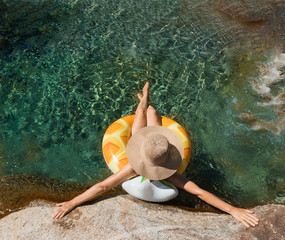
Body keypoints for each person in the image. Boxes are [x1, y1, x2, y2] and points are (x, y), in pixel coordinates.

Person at [53, 82, 259, 228]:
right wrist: (72, 202)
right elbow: (198, 192)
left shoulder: (135, 166)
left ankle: (145, 99)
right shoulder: (167, 174)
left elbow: (104, 185)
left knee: (150, 113)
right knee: (144, 112)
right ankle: (144, 96)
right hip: (146, 143)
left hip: (150, 144)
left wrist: (234, 210)